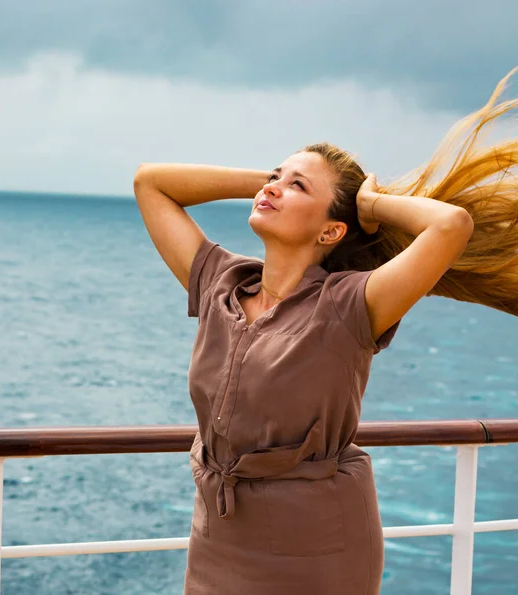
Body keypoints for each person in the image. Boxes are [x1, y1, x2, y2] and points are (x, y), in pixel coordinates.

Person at [132, 68, 518, 594]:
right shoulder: (222, 281)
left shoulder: (351, 304)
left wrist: (369, 204)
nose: (274, 188)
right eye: (276, 177)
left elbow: (450, 226)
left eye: (296, 186)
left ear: (332, 231)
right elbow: (151, 182)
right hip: (220, 530)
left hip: (316, 543)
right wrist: (270, 182)